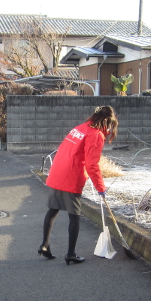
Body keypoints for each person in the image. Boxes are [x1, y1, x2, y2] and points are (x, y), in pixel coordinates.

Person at [38, 106, 118, 265]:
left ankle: (45, 245)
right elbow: (92, 164)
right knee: (74, 216)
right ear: (106, 122)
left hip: (57, 172)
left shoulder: (80, 128)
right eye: (110, 125)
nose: (110, 129)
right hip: (71, 176)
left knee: (53, 210)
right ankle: (70, 254)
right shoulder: (95, 135)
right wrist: (101, 187)